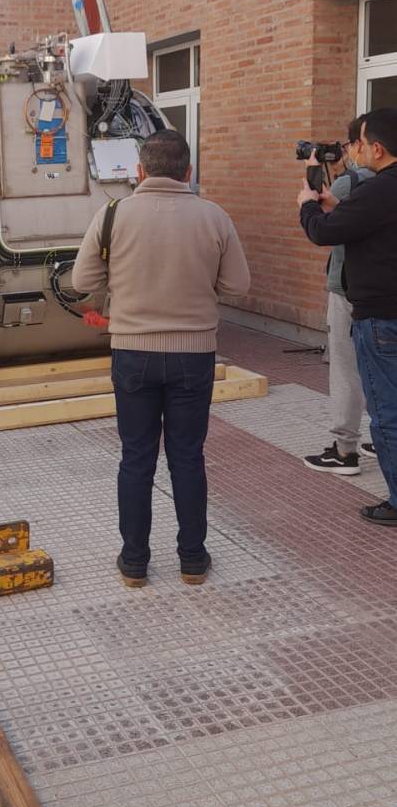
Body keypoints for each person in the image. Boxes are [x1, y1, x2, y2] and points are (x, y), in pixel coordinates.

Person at [72, 129, 251, 586]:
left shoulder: (112, 215)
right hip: (194, 355)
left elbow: (81, 280)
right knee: (187, 457)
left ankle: (134, 562)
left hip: (132, 353)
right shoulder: (213, 216)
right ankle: (192, 559)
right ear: (188, 172)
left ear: (140, 171)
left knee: (136, 458)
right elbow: (238, 286)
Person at [298, 108, 397, 526]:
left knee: (387, 411)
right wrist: (337, 204)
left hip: (381, 319)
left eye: (357, 143)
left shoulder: (379, 190)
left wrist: (308, 205)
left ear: (377, 148)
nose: (352, 150)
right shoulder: (380, 193)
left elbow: (323, 232)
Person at [303, 115, 375, 476]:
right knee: (382, 368)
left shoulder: (357, 183)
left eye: (347, 146)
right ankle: (381, 439)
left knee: (347, 369)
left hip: (348, 289)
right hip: (382, 291)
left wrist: (311, 176)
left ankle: (345, 449)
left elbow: (319, 223)